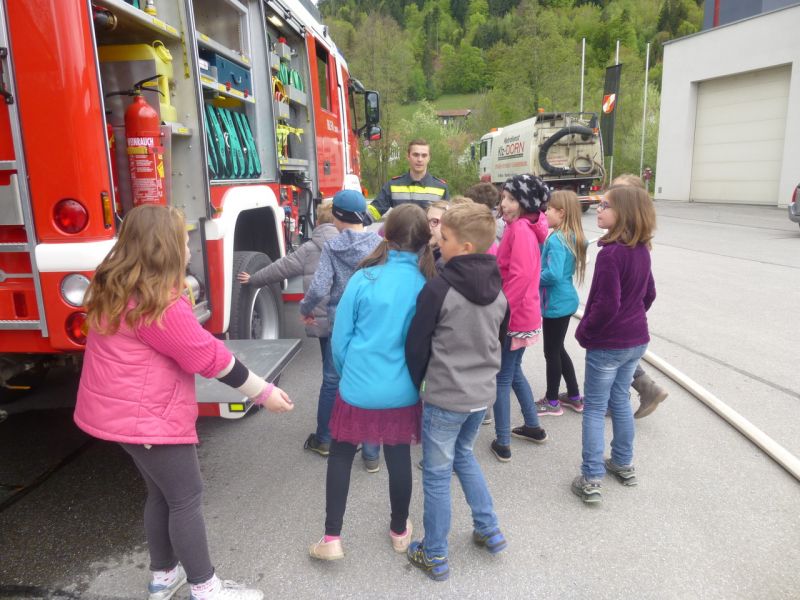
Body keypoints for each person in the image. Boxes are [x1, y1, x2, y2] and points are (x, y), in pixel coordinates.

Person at [73, 205, 294, 600]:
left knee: (162, 494)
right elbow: (209, 358)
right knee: (186, 498)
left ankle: (163, 576)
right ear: (165, 247)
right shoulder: (157, 303)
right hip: (148, 419)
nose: (190, 248)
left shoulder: (114, 287)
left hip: (122, 416)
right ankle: (205, 588)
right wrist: (263, 392)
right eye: (184, 241)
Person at [308, 204, 436, 561]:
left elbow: (340, 341)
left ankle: (332, 537)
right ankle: (399, 531)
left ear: (385, 234)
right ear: (424, 241)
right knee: (398, 457)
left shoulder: (364, 279)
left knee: (340, 456)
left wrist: (350, 373)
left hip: (357, 387)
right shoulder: (426, 285)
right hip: (402, 390)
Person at [405, 203, 508, 582]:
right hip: (481, 397)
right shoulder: (499, 291)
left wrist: (418, 383)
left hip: (445, 398)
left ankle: (434, 554)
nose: (437, 239)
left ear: (464, 247)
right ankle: (489, 528)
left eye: (444, 236)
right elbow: (499, 341)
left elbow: (417, 344)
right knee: (463, 455)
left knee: (436, 475)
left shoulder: (439, 289)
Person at [572, 184, 657, 504]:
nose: (599, 209)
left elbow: (607, 305)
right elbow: (649, 295)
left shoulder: (610, 254)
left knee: (595, 408)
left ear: (625, 213)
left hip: (608, 344)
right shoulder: (641, 249)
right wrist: (631, 318)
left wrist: (585, 333)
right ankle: (622, 462)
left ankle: (591, 477)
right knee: (620, 399)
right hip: (636, 340)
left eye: (606, 205)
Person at [237, 202, 338, 457]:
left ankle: (325, 438)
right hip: (350, 322)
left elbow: (281, 268)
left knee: (330, 377)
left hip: (323, 323)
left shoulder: (309, 248)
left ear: (318, 222)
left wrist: (254, 278)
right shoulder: (352, 245)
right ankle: (365, 443)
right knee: (352, 375)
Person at [298, 190, 382, 468]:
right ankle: (371, 453)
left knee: (332, 381)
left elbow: (319, 287)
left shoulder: (333, 247)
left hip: (340, 324)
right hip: (371, 324)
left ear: (336, 217)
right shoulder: (379, 244)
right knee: (369, 381)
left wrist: (306, 309)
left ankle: (324, 438)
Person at [490, 174, 550, 462]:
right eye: (503, 197)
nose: (504, 203)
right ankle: (533, 427)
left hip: (513, 318)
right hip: (521, 315)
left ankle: (502, 441)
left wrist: (499, 311)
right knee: (513, 372)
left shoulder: (521, 230)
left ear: (526, 203)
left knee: (502, 378)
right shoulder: (521, 226)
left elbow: (521, 277)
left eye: (511, 199)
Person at [608, 174, 669, 418]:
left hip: (619, 323)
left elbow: (648, 291)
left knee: (614, 357)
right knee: (621, 359)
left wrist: (628, 314)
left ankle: (635, 394)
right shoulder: (636, 243)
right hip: (628, 323)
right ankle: (637, 393)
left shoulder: (623, 249)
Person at [536, 190, 587, 416]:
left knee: (551, 352)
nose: (545, 213)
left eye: (549, 209)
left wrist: (531, 277)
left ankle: (552, 401)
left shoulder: (557, 239)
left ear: (562, 213)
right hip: (564, 300)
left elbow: (553, 274)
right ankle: (574, 396)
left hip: (556, 304)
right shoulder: (571, 235)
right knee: (558, 349)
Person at [366, 139, 449, 223]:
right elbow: (374, 211)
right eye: (415, 155)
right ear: (408, 156)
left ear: (429, 158)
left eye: (424, 155)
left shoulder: (441, 188)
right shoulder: (393, 185)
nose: (420, 159)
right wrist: (358, 221)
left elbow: (448, 221)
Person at [426, 200, 450, 265]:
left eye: (434, 221)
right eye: (426, 220)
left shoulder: (445, 262)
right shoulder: (420, 251)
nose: (428, 227)